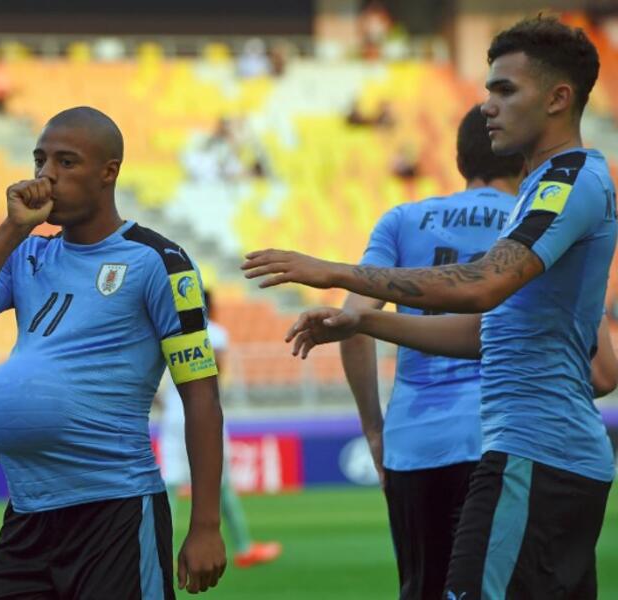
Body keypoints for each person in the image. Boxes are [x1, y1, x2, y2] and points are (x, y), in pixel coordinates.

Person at [243, 17, 615, 598]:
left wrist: (337, 271)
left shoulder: (567, 183)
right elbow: (484, 330)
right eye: (489, 88)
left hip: (536, 451)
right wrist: (364, 319)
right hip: (536, 452)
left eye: (505, 90)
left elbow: (480, 286)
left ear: (558, 98)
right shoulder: (544, 189)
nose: (487, 104)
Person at [0, 106, 226, 598]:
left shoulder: (159, 262)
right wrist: (11, 230)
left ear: (108, 172)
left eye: (66, 162)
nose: (46, 176)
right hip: (29, 515)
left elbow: (200, 397)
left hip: (116, 512)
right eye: (40, 160)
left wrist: (206, 525)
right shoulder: (28, 252)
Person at [340, 104, 522, 599]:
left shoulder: (402, 220)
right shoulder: (536, 221)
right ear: (523, 156)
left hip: (414, 441)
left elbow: (352, 323)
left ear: (460, 158)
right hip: (506, 437)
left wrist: (375, 431)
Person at [158, 290, 282, 569]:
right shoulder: (215, 333)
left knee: (169, 485)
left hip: (172, 414)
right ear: (209, 305)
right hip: (202, 415)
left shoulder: (167, 330)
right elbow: (217, 375)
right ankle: (243, 547)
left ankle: (157, 549)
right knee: (219, 482)